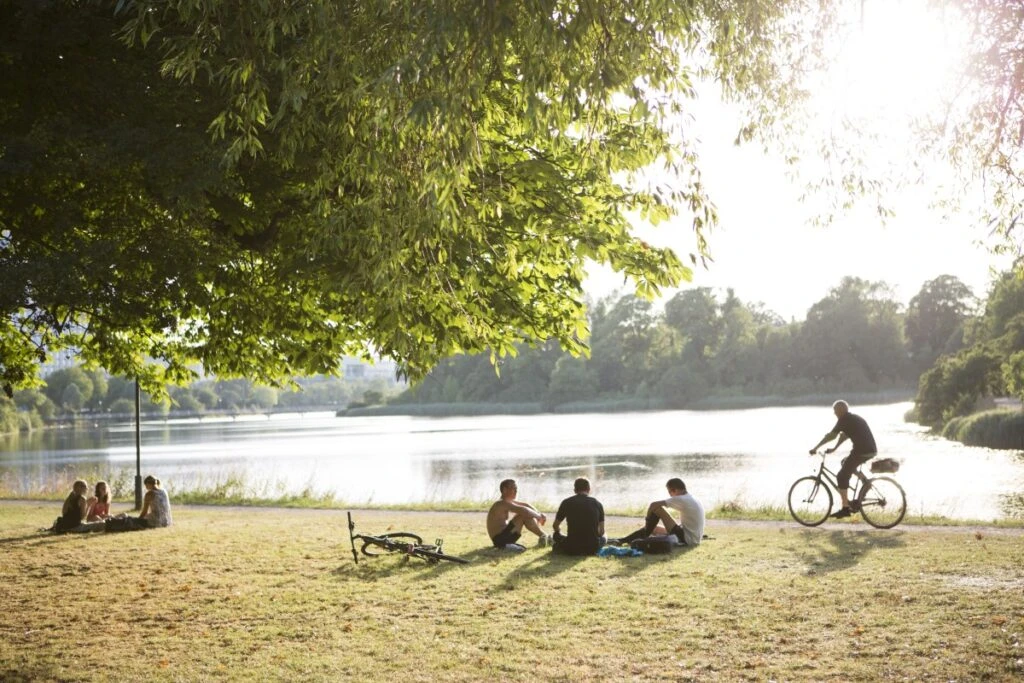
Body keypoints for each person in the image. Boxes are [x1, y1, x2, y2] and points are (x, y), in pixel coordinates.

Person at [809, 399, 878, 518]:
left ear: (841, 410)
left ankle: (845, 508)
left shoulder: (843, 420)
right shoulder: (852, 419)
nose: (834, 413)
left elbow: (831, 435)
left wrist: (816, 447)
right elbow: (844, 435)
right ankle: (865, 482)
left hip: (862, 451)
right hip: (868, 450)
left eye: (835, 411)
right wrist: (834, 448)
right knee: (845, 463)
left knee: (841, 476)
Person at [614, 478, 705, 547]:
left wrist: (648, 520)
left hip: (688, 539)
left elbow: (653, 505)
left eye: (670, 492)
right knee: (654, 528)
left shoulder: (681, 499)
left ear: (675, 490)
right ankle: (624, 540)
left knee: (657, 509)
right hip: (693, 538)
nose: (670, 495)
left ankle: (642, 536)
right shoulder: (691, 498)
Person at [486, 479, 549, 551]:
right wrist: (538, 517)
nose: (516, 491)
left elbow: (526, 505)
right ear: (504, 490)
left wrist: (539, 514)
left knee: (524, 514)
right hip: (500, 539)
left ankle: (545, 537)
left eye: (516, 488)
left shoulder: (506, 501)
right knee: (523, 515)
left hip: (504, 536)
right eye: (513, 488)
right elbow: (524, 510)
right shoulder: (501, 503)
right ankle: (545, 537)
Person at [551, 477, 605, 556]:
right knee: (604, 536)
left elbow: (555, 525)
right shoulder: (598, 504)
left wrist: (558, 531)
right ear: (589, 489)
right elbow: (601, 532)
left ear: (575, 490)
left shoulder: (566, 502)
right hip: (592, 548)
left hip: (572, 547)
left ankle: (561, 545)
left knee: (556, 535)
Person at [106, 475, 172, 531]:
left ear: (148, 484)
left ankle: (108, 524)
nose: (146, 488)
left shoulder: (150, 494)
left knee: (129, 520)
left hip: (156, 523)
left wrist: (138, 520)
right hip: (167, 521)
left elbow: (144, 512)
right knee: (132, 519)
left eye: (146, 486)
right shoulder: (164, 491)